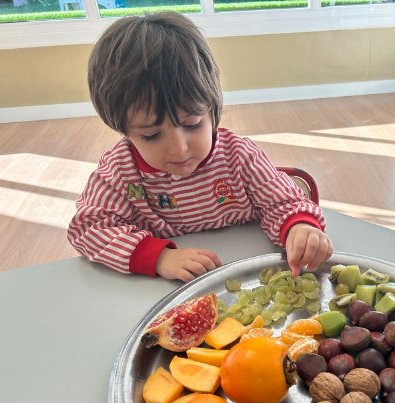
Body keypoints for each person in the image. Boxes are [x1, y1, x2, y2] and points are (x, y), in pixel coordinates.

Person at [67, 12, 333, 282]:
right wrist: (158, 257)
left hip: (251, 274)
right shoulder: (121, 171)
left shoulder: (239, 156)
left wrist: (300, 227)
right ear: (123, 129)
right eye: (151, 135)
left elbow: (284, 202)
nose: (179, 149)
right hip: (165, 288)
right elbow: (87, 229)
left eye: (192, 124)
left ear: (212, 110)